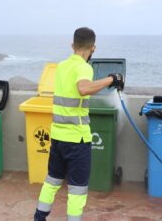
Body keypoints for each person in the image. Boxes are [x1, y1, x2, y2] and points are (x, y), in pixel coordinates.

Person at [33, 27, 124, 221]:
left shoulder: (62, 66)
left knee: (52, 181)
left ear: (72, 45)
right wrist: (112, 79)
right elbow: (83, 88)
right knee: (77, 189)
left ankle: (39, 217)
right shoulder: (84, 67)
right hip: (77, 139)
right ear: (93, 48)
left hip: (58, 137)